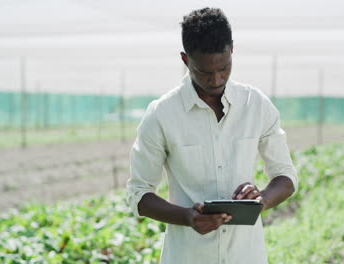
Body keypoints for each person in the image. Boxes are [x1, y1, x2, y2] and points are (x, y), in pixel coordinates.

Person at [127, 7, 298, 264]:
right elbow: (139, 194)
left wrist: (261, 200)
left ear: (232, 50)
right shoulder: (162, 114)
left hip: (246, 256)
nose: (217, 79)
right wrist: (188, 217)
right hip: (187, 256)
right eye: (204, 72)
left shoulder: (256, 105)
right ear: (185, 60)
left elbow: (286, 176)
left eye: (224, 68)